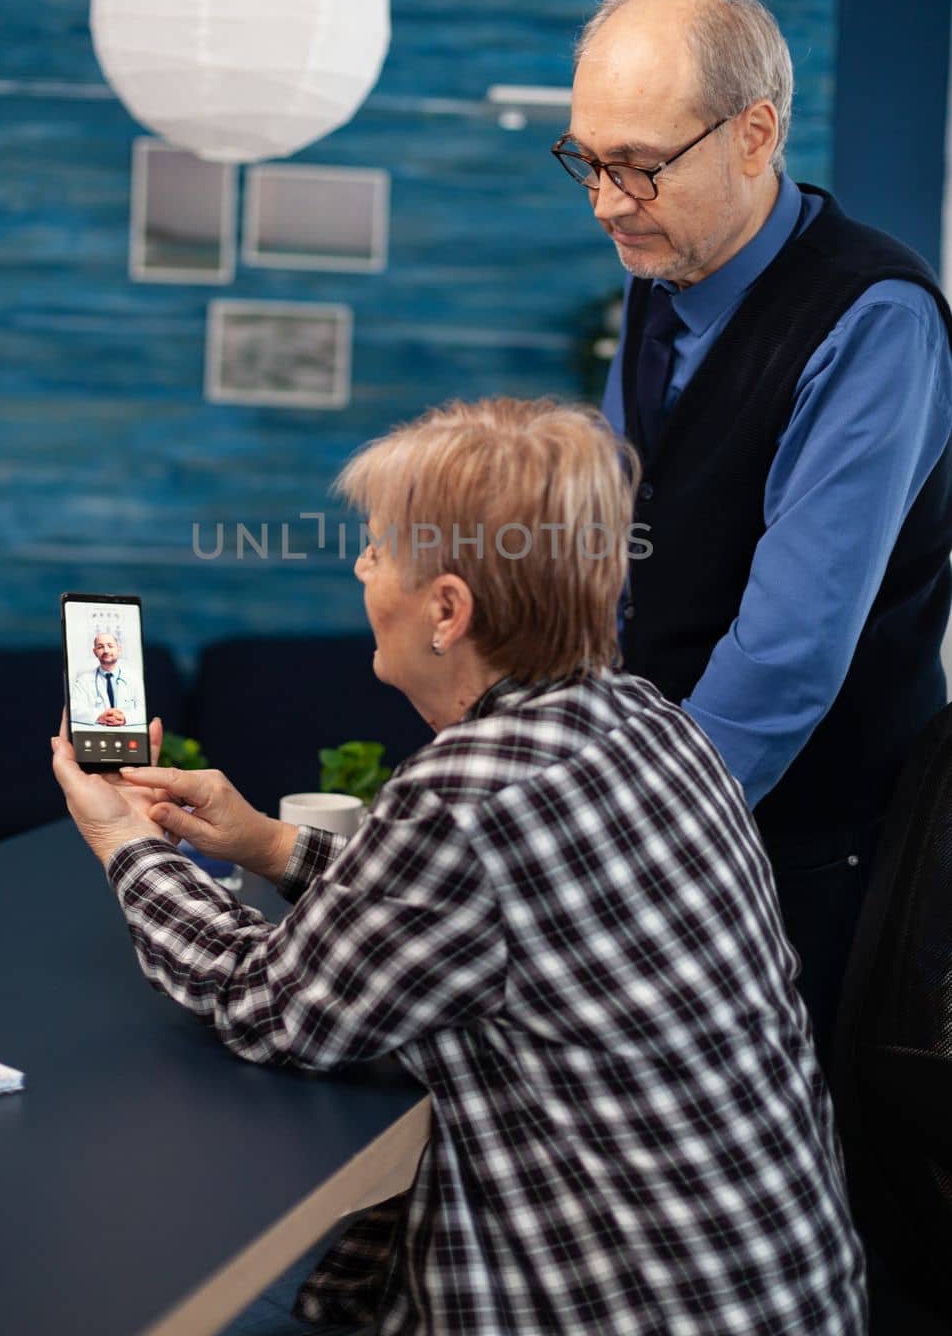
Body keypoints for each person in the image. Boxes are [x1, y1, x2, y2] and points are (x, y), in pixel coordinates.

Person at [52, 398, 866, 1336]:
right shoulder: (647, 722)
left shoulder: (464, 794)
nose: (359, 567)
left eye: (378, 550)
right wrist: (269, 844)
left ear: (447, 608)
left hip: (619, 1304)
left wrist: (126, 844)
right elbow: (485, 905)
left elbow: (271, 1007)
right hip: (776, 1287)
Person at [553, 0, 952, 1066]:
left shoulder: (874, 316)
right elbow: (612, 547)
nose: (603, 199)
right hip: (663, 814)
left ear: (753, 133)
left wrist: (612, 842)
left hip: (805, 852)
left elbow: (784, 657)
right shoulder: (658, 263)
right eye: (584, 160)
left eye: (636, 163)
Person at [69, 631, 145, 729]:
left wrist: (125, 718)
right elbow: (73, 709)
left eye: (110, 646)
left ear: (118, 649)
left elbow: (144, 708)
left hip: (129, 734)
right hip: (96, 735)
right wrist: (99, 716)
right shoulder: (83, 681)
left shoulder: (135, 679)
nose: (106, 651)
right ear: (95, 652)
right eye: (100, 647)